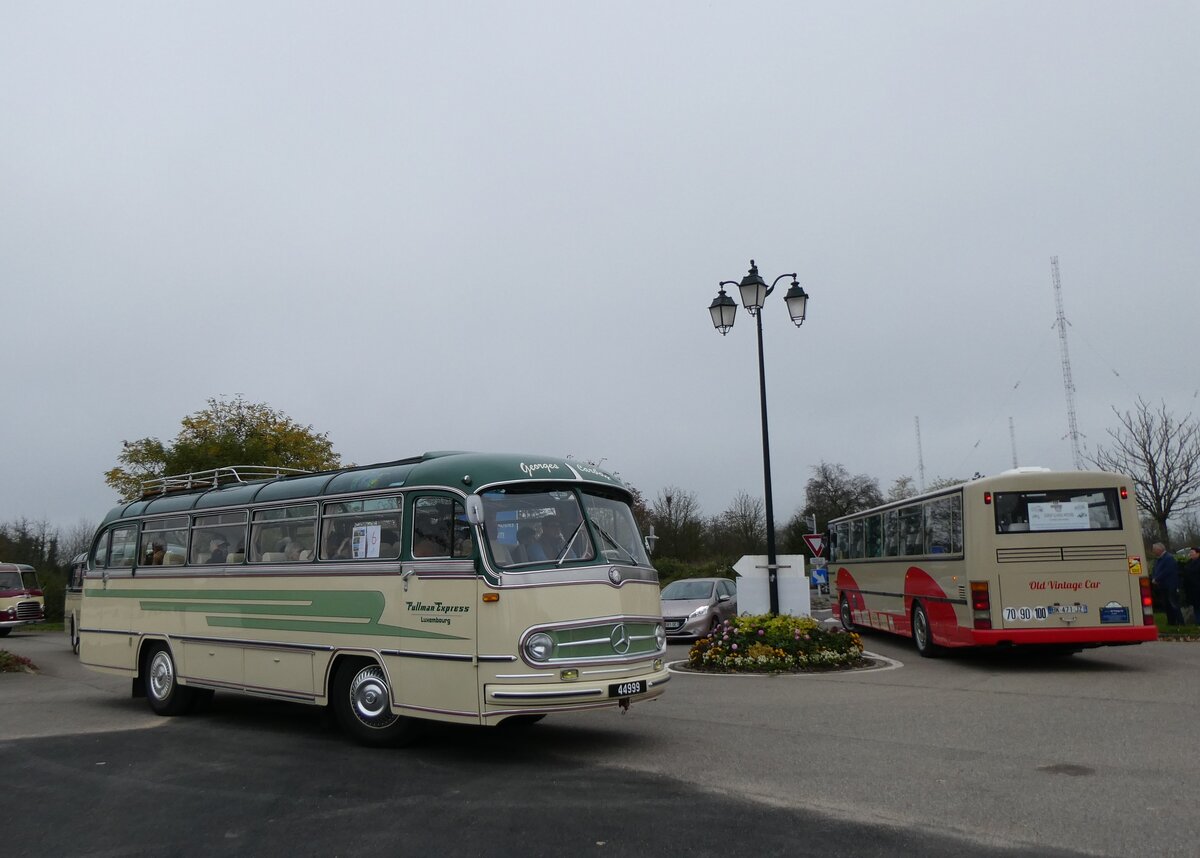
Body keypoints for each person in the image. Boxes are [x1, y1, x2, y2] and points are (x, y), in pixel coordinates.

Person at [1150, 542, 1184, 625]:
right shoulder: (1159, 559)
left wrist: (1157, 578)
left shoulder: (1169, 558)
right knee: (1167, 605)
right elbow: (1155, 569)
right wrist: (1154, 577)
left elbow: (1167, 571)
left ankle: (1180, 622)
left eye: (1154, 549)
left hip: (1170, 585)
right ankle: (1171, 622)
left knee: (1173, 604)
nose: (1153, 551)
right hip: (1163, 585)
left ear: (1159, 549)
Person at [1183, 547, 1200, 625]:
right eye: (1190, 552)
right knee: (1196, 606)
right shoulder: (1189, 562)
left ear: (1197, 553)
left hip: (1197, 587)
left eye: (1192, 552)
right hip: (1191, 589)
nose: (1190, 554)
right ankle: (1197, 621)